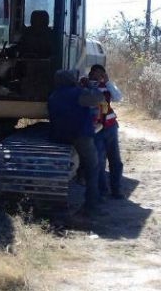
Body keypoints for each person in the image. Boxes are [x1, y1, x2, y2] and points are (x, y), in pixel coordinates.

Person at [48, 69, 105, 215]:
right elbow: (98, 98)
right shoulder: (77, 93)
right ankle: (91, 204)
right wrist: (89, 86)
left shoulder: (53, 96)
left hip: (60, 136)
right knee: (93, 166)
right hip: (81, 135)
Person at [85, 64, 125, 199]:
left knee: (115, 161)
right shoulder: (85, 87)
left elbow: (118, 97)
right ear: (90, 75)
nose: (98, 77)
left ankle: (116, 190)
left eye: (101, 74)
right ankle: (102, 191)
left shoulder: (107, 87)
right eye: (95, 74)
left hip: (110, 127)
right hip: (96, 130)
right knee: (100, 162)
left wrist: (108, 82)